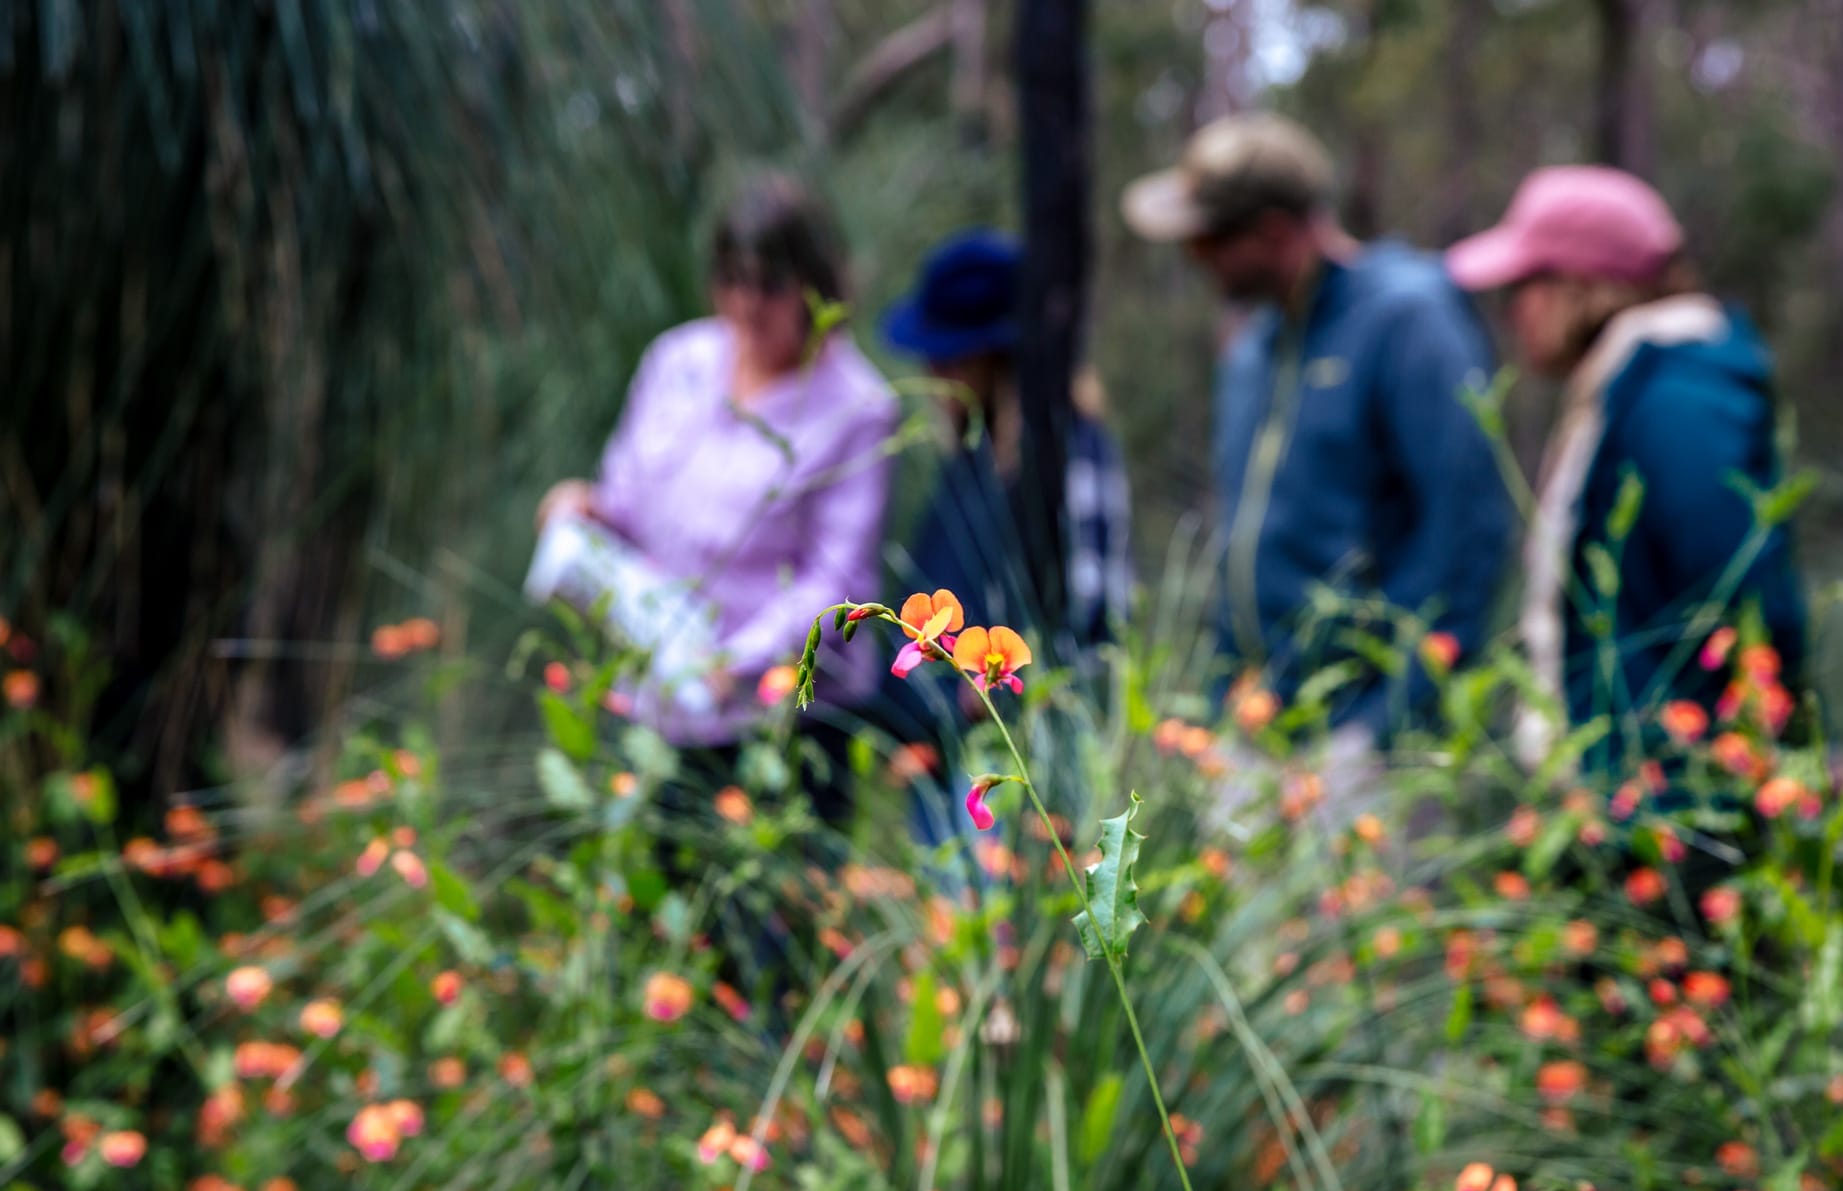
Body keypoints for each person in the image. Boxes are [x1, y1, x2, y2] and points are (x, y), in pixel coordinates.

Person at [1121, 113, 1512, 767]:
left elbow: (1469, 530)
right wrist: (1225, 707)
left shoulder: (1407, 320)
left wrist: (1380, 726)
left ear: (1275, 232)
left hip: (1372, 745)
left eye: (1211, 238)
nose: (1195, 255)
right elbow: (1244, 547)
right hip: (1257, 731)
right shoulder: (1254, 351)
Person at [537, 171, 895, 799]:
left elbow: (837, 582)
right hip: (657, 701)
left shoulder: (858, 406)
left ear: (816, 284)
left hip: (780, 719)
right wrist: (581, 508)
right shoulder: (678, 361)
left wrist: (740, 661)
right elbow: (626, 499)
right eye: (732, 279)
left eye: (770, 284)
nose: (747, 304)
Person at [1445, 165, 1808, 775]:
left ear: (1580, 285)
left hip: (1672, 804)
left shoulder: (1678, 404)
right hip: (1621, 792)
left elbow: (1747, 607)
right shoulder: (1622, 392)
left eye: (1524, 287)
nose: (1512, 313)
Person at [874, 230, 1132, 850]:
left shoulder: (1067, 454)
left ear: (996, 357)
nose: (933, 371)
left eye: (951, 355)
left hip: (1020, 754)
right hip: (950, 756)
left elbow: (1090, 618)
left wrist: (992, 689)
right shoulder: (975, 454)